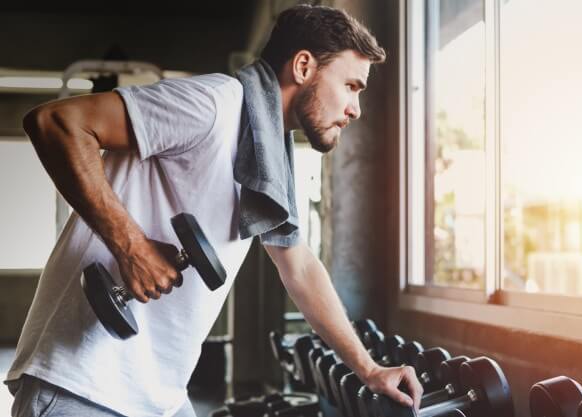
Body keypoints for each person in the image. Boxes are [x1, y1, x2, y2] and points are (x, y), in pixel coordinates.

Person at [4, 4, 423, 417]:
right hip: (85, 384)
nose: (356, 109)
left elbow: (298, 266)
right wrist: (130, 247)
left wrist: (369, 369)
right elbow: (56, 123)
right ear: (302, 66)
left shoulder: (271, 157)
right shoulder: (214, 104)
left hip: (157, 396)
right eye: (351, 86)